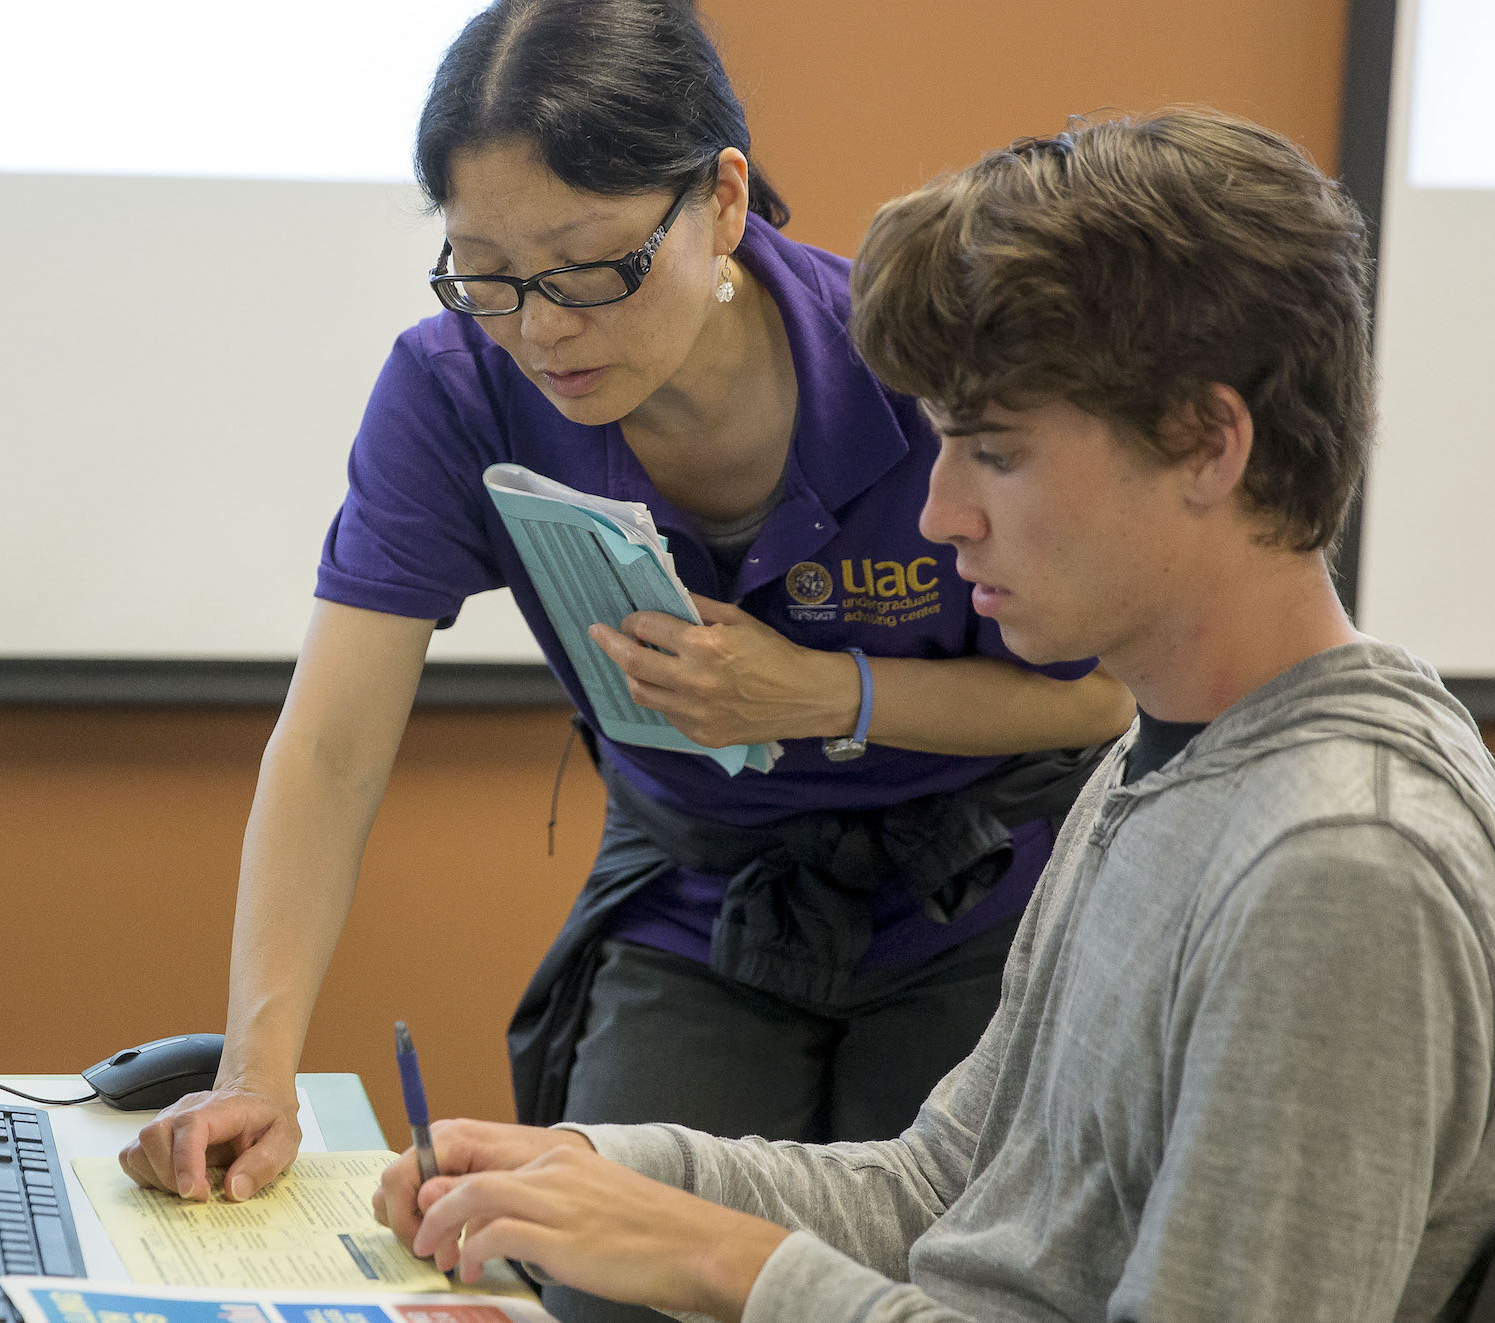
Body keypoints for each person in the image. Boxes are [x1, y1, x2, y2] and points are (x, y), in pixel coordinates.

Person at [370, 108, 1495, 1321]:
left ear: (1205, 443)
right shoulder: (1153, 757)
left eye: (993, 454)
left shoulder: (1336, 869)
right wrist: (609, 1175)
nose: (939, 511)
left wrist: (726, 1268)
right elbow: (954, 1191)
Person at [122, 0, 1131, 1308]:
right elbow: (332, 744)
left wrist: (830, 690)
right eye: (486, 277)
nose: (542, 330)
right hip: (701, 887)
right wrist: (259, 1072)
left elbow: (1102, 697)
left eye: (593, 269)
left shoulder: (909, 363)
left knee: (948, 1269)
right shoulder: (456, 386)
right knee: (597, 1274)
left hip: (976, 888)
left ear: (720, 198)